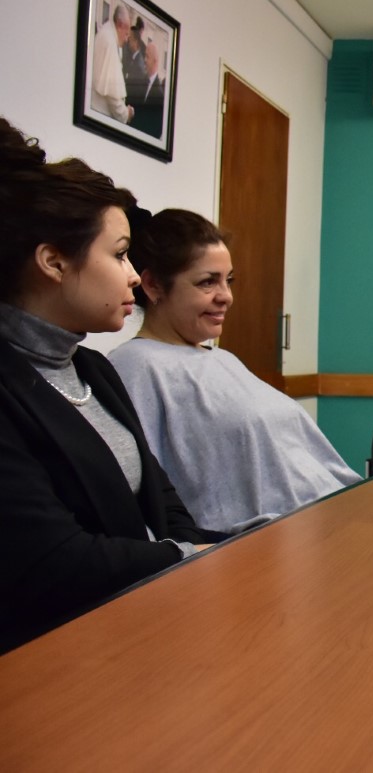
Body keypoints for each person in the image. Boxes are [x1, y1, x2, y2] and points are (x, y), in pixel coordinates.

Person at [0, 117, 222, 652]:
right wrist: (186, 558)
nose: (131, 276)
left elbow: (165, 504)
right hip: (54, 655)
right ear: (53, 262)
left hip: (140, 620)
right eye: (120, 254)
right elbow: (55, 560)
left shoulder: (93, 370)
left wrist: (205, 554)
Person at [110, 208, 361, 534]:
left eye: (229, 280)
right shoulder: (136, 367)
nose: (226, 296)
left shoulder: (223, 359)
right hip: (263, 545)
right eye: (207, 282)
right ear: (154, 285)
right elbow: (143, 491)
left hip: (333, 519)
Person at [90, 5, 134, 124]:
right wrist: (126, 114)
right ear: (119, 24)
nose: (126, 40)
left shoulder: (107, 34)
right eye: (126, 33)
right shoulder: (109, 41)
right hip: (99, 117)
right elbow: (112, 95)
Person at [130, 42, 165, 138]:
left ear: (155, 61)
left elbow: (155, 130)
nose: (144, 60)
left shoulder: (160, 96)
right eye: (144, 55)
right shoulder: (140, 82)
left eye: (147, 56)